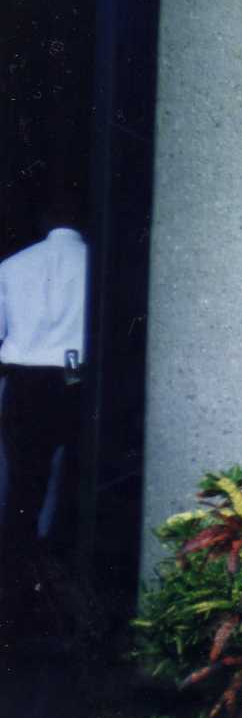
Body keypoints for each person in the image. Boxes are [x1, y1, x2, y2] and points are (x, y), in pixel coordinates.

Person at [0, 208, 87, 638]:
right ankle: (58, 583)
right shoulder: (96, 263)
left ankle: (18, 593)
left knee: (22, 485)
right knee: (75, 480)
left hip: (26, 380)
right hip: (76, 378)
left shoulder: (12, 266)